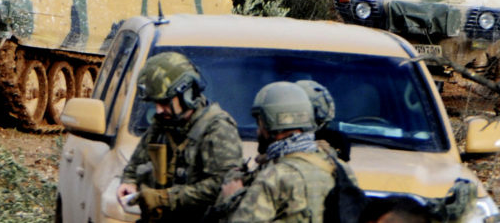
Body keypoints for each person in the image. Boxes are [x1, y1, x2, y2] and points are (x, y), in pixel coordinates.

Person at [116, 52, 243, 221]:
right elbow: (135, 164)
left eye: (164, 102)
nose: (159, 110)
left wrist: (164, 198)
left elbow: (222, 185)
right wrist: (129, 184)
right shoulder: (162, 125)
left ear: (186, 94)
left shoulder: (217, 129)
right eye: (156, 103)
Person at [219, 81, 359, 223]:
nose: (258, 130)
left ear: (268, 122)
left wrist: (231, 198)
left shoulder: (274, 177)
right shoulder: (341, 169)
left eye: (259, 123)